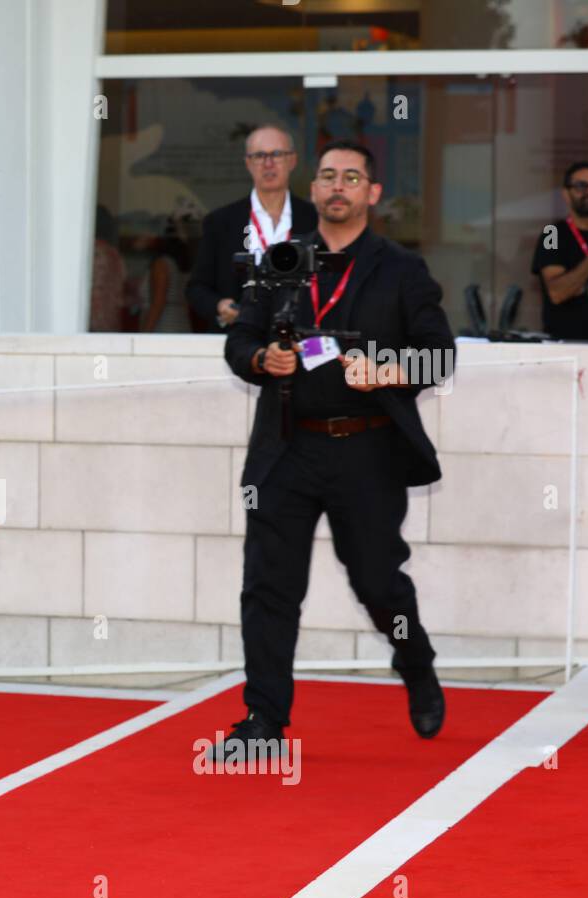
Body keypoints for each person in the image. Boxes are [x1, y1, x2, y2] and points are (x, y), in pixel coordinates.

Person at [218, 139, 454, 757]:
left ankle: (416, 663)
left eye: (352, 177)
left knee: (378, 581)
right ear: (313, 189)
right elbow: (239, 340)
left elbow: (441, 353)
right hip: (285, 449)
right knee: (268, 587)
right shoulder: (279, 259)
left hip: (367, 453)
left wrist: (392, 369)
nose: (338, 186)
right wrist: (258, 357)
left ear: (372, 193)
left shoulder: (402, 270)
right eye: (327, 176)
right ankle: (264, 721)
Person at [187, 125, 317, 330]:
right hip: (241, 338)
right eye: (259, 156)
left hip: (299, 339)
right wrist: (219, 306)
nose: (268, 163)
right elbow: (197, 288)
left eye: (277, 154)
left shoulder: (315, 218)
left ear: (292, 160)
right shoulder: (220, 222)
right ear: (248, 163)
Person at [531, 160, 588, 341]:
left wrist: (584, 289)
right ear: (566, 193)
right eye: (581, 186)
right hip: (566, 345)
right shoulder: (551, 233)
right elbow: (557, 292)